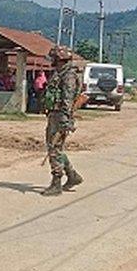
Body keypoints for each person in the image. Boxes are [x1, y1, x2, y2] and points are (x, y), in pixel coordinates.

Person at [41, 45, 84, 196]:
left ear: (59, 60)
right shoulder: (60, 73)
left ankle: (56, 183)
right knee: (55, 148)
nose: (51, 62)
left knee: (54, 149)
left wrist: (65, 120)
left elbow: (67, 99)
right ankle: (72, 176)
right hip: (55, 115)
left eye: (53, 59)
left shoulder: (68, 76)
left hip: (61, 116)